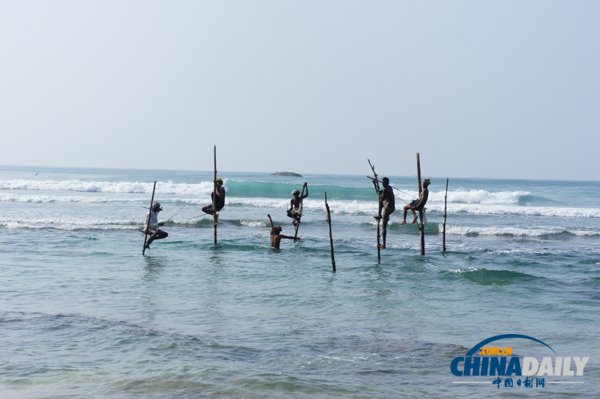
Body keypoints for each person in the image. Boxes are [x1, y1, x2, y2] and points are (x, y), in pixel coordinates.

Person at [373, 177, 395, 249]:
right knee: (381, 202)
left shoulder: (386, 189)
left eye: (384, 182)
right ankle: (379, 215)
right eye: (382, 182)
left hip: (388, 208)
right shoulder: (389, 187)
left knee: (383, 227)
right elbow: (379, 193)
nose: (383, 183)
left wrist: (375, 185)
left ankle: (384, 244)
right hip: (392, 207)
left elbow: (380, 196)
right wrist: (375, 184)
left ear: (387, 183)